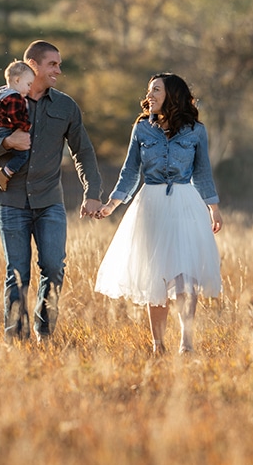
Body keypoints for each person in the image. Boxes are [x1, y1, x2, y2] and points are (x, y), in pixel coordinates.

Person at [0, 40, 105, 341]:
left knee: (54, 268)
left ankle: (44, 333)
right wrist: (7, 143)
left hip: (49, 202)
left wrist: (92, 192)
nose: (59, 69)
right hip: (10, 200)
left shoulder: (66, 106)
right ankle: (15, 340)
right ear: (32, 65)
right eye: (52, 64)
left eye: (59, 64)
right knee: (17, 272)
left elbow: (83, 152)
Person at [94, 73, 223, 354]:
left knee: (184, 275)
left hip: (184, 203)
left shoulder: (195, 131)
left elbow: (202, 172)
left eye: (156, 90)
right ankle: (158, 345)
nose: (149, 95)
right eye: (149, 90)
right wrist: (112, 204)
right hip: (150, 204)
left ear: (172, 95)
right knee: (155, 274)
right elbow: (130, 171)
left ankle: (186, 343)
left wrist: (213, 208)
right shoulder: (141, 129)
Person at [0, 60, 36, 191]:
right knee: (22, 155)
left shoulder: (0, 95)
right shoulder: (15, 98)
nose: (29, 88)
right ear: (17, 80)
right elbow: (15, 117)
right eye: (28, 84)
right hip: (7, 130)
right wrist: (26, 126)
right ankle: (4, 174)